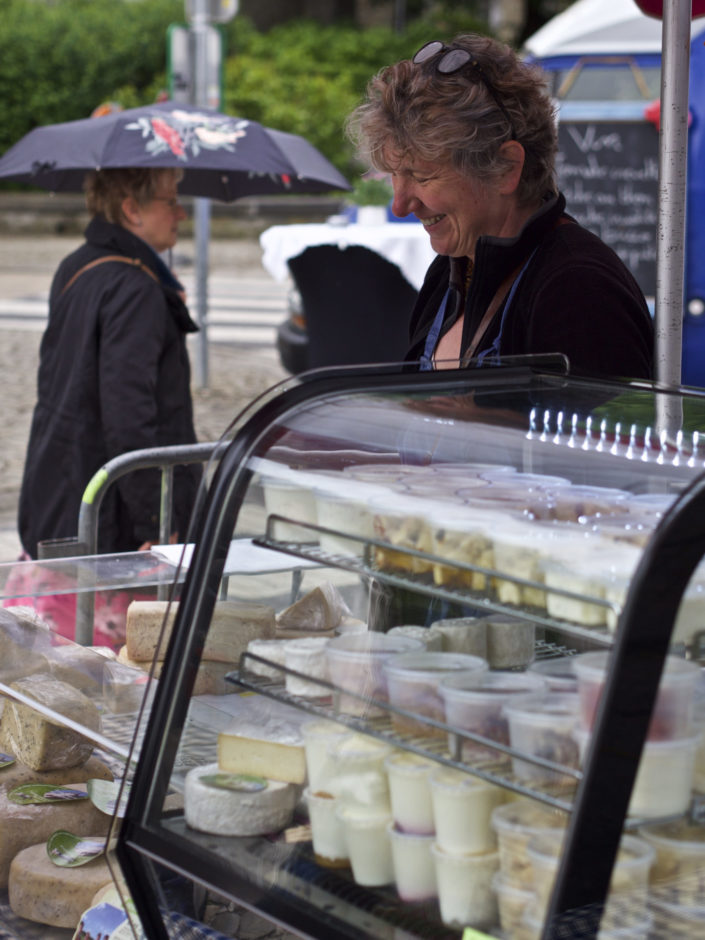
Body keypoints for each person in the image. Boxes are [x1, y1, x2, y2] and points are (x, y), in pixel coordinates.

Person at [346, 34, 654, 379]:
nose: (401, 205)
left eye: (422, 175)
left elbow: (596, 432)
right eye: (394, 175)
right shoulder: (449, 272)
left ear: (506, 167)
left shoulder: (579, 291)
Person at [17, 166, 201, 560]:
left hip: (65, 487)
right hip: (116, 523)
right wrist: (157, 520)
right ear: (132, 209)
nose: (181, 214)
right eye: (171, 202)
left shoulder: (79, 264)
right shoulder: (136, 289)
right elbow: (129, 415)